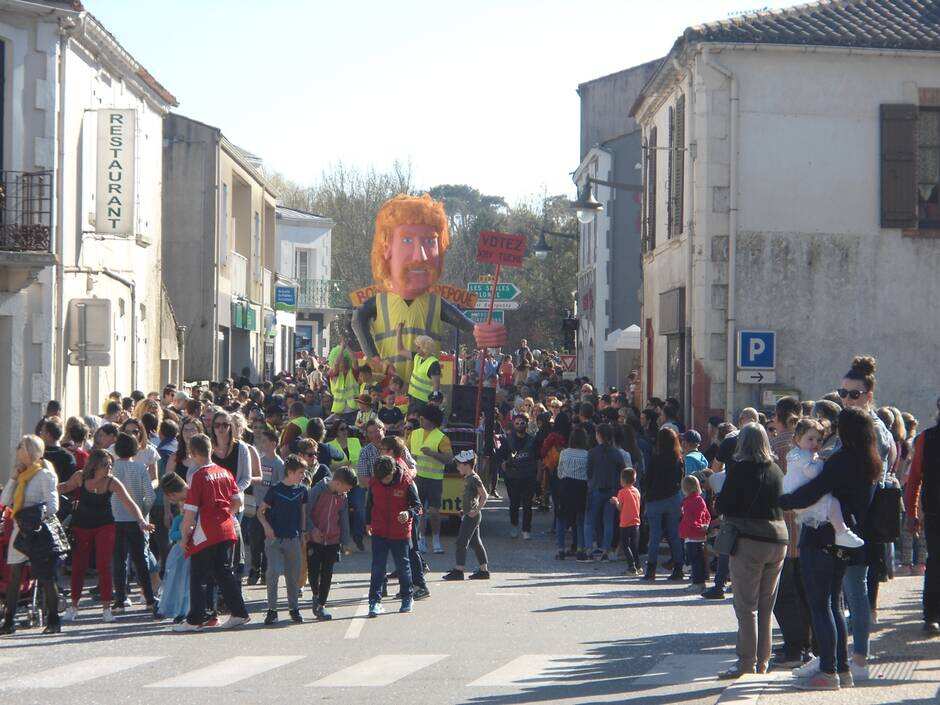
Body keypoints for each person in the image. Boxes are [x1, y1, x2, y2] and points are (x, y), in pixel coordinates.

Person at [779, 408, 881, 690]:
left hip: (820, 537)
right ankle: (842, 668)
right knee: (835, 604)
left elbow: (814, 491)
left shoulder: (840, 460)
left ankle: (827, 671)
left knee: (820, 605)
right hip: (844, 539)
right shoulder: (870, 461)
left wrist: (783, 501)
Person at [716, 423, 789, 680]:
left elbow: (723, 504)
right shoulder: (777, 470)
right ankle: (763, 661)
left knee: (746, 607)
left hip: (749, 540)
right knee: (766, 606)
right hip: (778, 539)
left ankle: (746, 663)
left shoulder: (740, 470)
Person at [58, 449, 153, 622]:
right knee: (79, 566)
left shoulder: (112, 482)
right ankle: (73, 607)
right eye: (105, 465)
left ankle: (107, 608)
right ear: (94, 465)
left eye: (111, 464)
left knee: (105, 565)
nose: (109, 467)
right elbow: (63, 488)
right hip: (81, 525)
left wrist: (141, 521)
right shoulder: (81, 476)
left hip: (105, 525)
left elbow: (129, 502)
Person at [174, 433, 250, 631]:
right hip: (226, 528)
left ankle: (195, 618)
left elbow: (189, 513)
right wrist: (227, 515)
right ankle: (239, 612)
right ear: (211, 450)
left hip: (207, 531)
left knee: (198, 575)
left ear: (192, 453)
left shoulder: (198, 476)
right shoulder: (225, 472)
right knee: (223, 572)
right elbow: (238, 500)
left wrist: (184, 537)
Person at [0, 435, 64, 634]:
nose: (17, 450)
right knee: (15, 576)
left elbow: (53, 506)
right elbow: (4, 500)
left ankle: (54, 620)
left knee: (45, 577)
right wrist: (13, 477)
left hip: (38, 532)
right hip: (20, 531)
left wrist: (33, 517)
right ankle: (9, 621)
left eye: (20, 446)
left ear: (29, 450)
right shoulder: (21, 475)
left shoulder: (45, 475)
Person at [785, 418, 864, 548]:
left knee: (827, 508)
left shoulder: (798, 454)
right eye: (810, 439)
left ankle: (840, 532)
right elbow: (813, 473)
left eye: (819, 440)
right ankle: (842, 532)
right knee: (833, 504)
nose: (815, 443)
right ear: (797, 439)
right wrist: (821, 463)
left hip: (799, 493)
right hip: (800, 493)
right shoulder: (803, 456)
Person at [366, 455, 421, 617]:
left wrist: (408, 513)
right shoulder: (375, 481)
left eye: (387, 478)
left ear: (393, 471)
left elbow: (417, 506)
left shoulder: (406, 481)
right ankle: (374, 601)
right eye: (381, 478)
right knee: (377, 568)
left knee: (403, 567)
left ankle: (407, 597)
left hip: (400, 532)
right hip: (379, 530)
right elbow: (369, 503)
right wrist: (368, 522)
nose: (384, 481)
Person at [109, 432, 157, 615]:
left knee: (119, 561)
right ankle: (150, 599)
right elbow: (150, 495)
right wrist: (142, 513)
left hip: (116, 518)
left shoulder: (112, 469)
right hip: (136, 520)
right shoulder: (140, 467)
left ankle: (120, 600)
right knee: (141, 561)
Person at [904, 396, 940, 636]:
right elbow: (914, 478)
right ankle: (931, 616)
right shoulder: (926, 439)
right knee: (936, 562)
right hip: (936, 510)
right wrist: (911, 512)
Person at [258, 454, 308, 626]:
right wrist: (267, 527)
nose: (303, 475)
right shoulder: (275, 490)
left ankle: (294, 608)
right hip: (275, 539)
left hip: (293, 537)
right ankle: (272, 610)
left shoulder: (302, 490)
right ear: (290, 471)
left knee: (293, 575)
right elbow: (260, 511)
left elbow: (302, 512)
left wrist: (302, 532)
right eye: (300, 472)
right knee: (273, 572)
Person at [306, 466, 357, 621]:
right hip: (315, 539)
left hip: (332, 540)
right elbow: (306, 512)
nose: (346, 492)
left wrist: (345, 541)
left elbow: (343, 519)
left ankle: (321, 605)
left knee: (327, 572)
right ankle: (315, 594)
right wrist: (311, 529)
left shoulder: (343, 496)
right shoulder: (317, 490)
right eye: (346, 489)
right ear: (337, 483)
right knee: (314, 571)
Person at [643, 428, 685, 581]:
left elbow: (648, 479)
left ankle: (651, 570)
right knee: (674, 534)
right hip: (673, 498)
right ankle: (678, 567)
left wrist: (647, 494)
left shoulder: (655, 458)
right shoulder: (679, 459)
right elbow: (681, 479)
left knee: (654, 535)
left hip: (656, 499)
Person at [409, 404, 453, 553]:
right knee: (419, 511)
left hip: (434, 479)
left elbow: (449, 459)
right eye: (420, 418)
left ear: (432, 421)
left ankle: (436, 539)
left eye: (424, 418)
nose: (420, 420)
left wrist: (432, 453)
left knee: (434, 512)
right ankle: (421, 540)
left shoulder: (442, 437)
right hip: (417, 478)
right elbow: (406, 452)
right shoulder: (414, 434)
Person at [442, 450, 490, 581]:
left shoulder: (474, 478)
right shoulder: (469, 478)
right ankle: (483, 570)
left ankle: (459, 570)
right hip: (469, 514)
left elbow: (484, 495)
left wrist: (476, 510)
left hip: (472, 516)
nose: (457, 468)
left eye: (459, 465)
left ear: (467, 465)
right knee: (475, 542)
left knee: (461, 542)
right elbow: (471, 498)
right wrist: (464, 509)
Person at [584, 424, 626, 561]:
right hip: (612, 490)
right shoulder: (616, 453)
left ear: (599, 435)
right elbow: (622, 471)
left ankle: (589, 549)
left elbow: (589, 473)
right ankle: (606, 550)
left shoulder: (592, 452)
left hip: (596, 488)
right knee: (608, 521)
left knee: (589, 521)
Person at [498, 412, 539, 540]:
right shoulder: (508, 440)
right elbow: (500, 455)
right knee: (514, 503)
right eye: (517, 423)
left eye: (522, 423)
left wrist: (538, 474)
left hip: (528, 476)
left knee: (527, 505)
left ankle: (526, 530)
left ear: (526, 424)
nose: (520, 425)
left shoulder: (532, 440)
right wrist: (503, 464)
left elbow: (538, 458)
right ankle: (514, 525)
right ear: (513, 425)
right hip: (513, 477)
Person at [157, 473, 191, 623]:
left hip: (190, 549)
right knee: (178, 581)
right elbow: (174, 534)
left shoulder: (190, 500)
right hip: (181, 551)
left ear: (173, 494)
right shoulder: (179, 517)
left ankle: (186, 610)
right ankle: (177, 609)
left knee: (187, 582)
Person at [679, 474, 711, 591]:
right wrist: (705, 526)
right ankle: (701, 581)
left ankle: (697, 583)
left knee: (694, 560)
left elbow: (688, 520)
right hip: (701, 533)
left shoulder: (687, 502)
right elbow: (707, 515)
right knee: (700, 559)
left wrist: (684, 532)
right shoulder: (700, 500)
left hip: (691, 534)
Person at [611, 468, 642, 575]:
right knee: (634, 546)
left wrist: (615, 501)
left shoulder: (622, 492)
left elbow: (620, 507)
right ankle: (639, 566)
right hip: (636, 522)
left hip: (625, 522)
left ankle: (631, 567)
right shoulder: (636, 491)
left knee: (625, 545)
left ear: (623, 480)